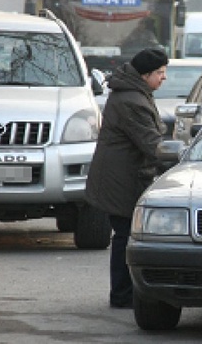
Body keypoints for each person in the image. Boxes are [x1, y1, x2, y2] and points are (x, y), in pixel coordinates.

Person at [84, 47, 168, 309]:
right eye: (160, 73)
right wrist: (180, 161)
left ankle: (124, 292)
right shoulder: (132, 100)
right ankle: (122, 294)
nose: (164, 78)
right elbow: (151, 144)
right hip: (122, 179)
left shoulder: (134, 93)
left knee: (124, 235)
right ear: (145, 75)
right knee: (124, 236)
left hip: (123, 176)